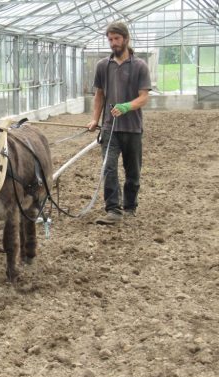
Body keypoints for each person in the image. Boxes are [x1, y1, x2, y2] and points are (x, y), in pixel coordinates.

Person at [87, 21, 151, 225]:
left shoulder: (140, 66)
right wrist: (94, 119)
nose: (113, 43)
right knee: (109, 168)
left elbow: (143, 97)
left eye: (116, 39)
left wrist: (126, 106)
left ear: (125, 39)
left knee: (133, 171)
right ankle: (113, 209)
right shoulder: (103, 66)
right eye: (110, 39)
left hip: (132, 128)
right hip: (109, 128)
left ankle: (130, 206)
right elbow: (99, 95)